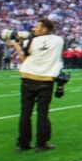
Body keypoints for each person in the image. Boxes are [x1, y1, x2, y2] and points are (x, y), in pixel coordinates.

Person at [9, 18, 64, 152]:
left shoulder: (31, 41)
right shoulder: (59, 40)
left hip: (28, 78)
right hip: (46, 80)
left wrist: (16, 46)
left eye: (37, 27)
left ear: (44, 29)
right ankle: (41, 143)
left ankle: (23, 143)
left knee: (25, 113)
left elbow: (23, 59)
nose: (34, 29)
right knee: (42, 113)